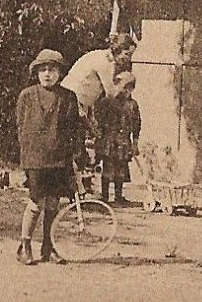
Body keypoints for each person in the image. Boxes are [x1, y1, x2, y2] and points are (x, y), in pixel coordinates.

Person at [14, 48, 84, 265]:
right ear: (36, 73)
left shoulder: (68, 97)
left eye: (52, 70)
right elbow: (21, 128)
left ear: (60, 73)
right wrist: (27, 158)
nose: (47, 74)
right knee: (36, 202)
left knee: (53, 203)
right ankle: (25, 245)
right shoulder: (27, 96)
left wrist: (76, 155)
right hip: (36, 158)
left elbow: (74, 129)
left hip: (59, 159)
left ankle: (48, 245)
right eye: (43, 70)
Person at [61, 32, 138, 121]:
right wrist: (125, 81)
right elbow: (111, 94)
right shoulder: (104, 62)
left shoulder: (103, 56)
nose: (128, 59)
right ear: (118, 49)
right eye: (127, 54)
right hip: (72, 100)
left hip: (80, 101)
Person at [93, 70, 142, 204]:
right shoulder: (107, 101)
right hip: (109, 140)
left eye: (130, 88)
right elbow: (98, 119)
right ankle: (104, 196)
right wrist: (99, 136)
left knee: (121, 169)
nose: (127, 91)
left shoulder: (133, 105)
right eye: (125, 87)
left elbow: (137, 124)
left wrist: (135, 143)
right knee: (108, 168)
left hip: (123, 141)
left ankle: (119, 196)